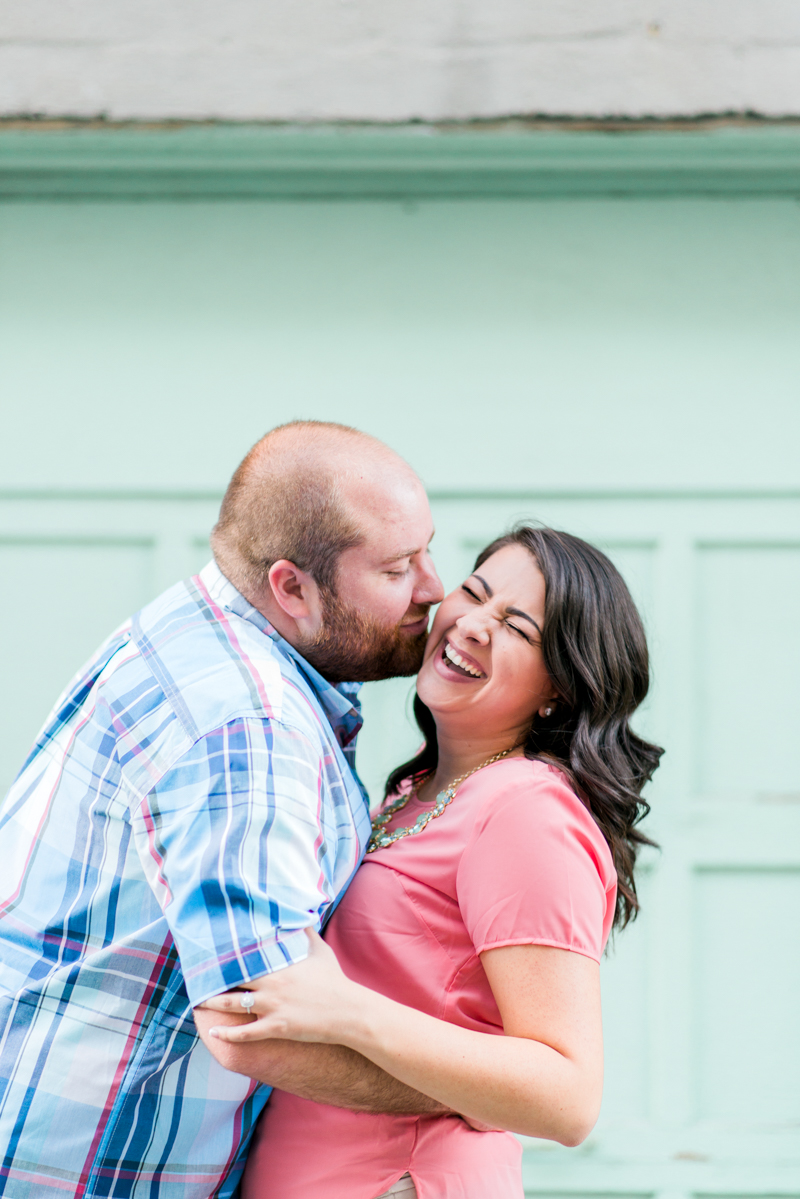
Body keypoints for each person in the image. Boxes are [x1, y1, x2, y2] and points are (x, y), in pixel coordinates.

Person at [0, 421, 445, 1197]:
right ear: (291, 587)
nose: (435, 588)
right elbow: (257, 1021)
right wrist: (482, 1089)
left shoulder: (198, 624)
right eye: (399, 568)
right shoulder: (248, 725)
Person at [199, 526, 664, 1199]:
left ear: (557, 688)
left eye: (517, 627)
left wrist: (347, 1011)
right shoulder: (415, 790)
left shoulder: (527, 811)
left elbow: (567, 1094)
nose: (472, 623)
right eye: (473, 592)